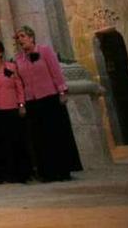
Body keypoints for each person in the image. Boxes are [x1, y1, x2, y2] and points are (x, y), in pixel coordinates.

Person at [14, 26, 82, 182]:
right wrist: (22, 103)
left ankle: (63, 170)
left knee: (56, 135)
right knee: (39, 138)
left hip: (50, 97)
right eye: (18, 38)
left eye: (23, 36)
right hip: (32, 101)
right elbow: (19, 81)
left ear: (31, 37)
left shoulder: (45, 51)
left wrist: (62, 91)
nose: (20, 40)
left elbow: (56, 71)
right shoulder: (19, 59)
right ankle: (47, 172)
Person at [0, 38, 31, 184]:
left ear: (1, 52)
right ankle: (5, 174)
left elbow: (18, 86)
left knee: (18, 142)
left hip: (13, 108)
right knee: (1, 144)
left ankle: (22, 173)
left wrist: (21, 104)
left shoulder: (11, 67)